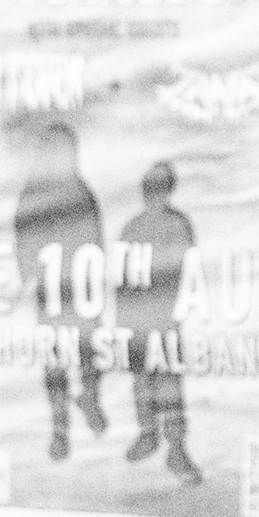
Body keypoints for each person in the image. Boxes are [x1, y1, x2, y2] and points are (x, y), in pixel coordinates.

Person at [13, 118, 113, 463]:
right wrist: (28, 275)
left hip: (83, 290)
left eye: (67, 150)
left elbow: (96, 238)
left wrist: (97, 278)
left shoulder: (82, 191)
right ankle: (60, 429)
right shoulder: (33, 193)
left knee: (89, 351)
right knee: (55, 358)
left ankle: (90, 399)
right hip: (51, 291)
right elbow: (23, 235)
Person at [115, 160, 201, 482]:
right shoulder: (131, 227)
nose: (156, 194)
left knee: (168, 383)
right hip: (136, 319)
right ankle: (148, 433)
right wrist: (123, 320)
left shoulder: (179, 225)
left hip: (164, 319)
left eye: (161, 188)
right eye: (152, 188)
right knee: (141, 380)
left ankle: (176, 449)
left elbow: (186, 271)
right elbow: (121, 278)